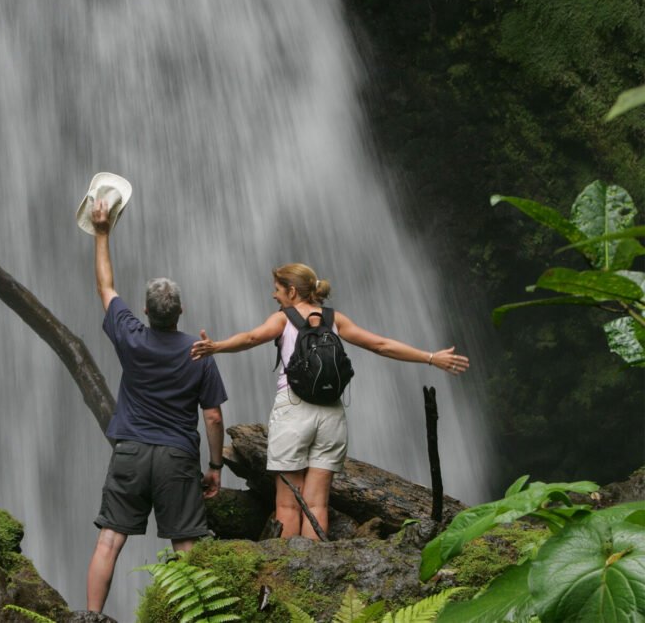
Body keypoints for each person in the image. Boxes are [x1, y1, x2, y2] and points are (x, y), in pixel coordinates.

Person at [190, 263, 468, 540]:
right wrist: (431, 357)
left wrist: (217, 347)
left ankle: (290, 575)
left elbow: (251, 338)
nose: (274, 296)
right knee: (316, 504)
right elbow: (380, 345)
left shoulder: (284, 319)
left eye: (277, 290)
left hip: (293, 411)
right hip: (331, 414)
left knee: (288, 503)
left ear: (291, 290)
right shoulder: (334, 319)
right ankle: (315, 571)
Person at [86, 199, 228, 614]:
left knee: (110, 539)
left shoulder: (131, 336)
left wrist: (101, 232)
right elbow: (214, 416)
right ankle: (200, 617)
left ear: (145, 311)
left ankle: (89, 618)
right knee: (185, 544)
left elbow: (105, 287)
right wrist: (215, 466)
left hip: (130, 451)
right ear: (181, 312)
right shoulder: (200, 352)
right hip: (177, 457)